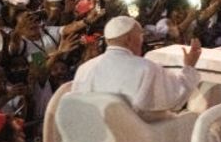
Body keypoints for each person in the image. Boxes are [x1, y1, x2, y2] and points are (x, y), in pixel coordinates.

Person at [71, 16, 201, 116]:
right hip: (134, 141)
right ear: (129, 39)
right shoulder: (146, 68)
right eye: (140, 37)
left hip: (94, 141)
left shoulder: (85, 68)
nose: (142, 41)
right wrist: (189, 67)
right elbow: (175, 99)